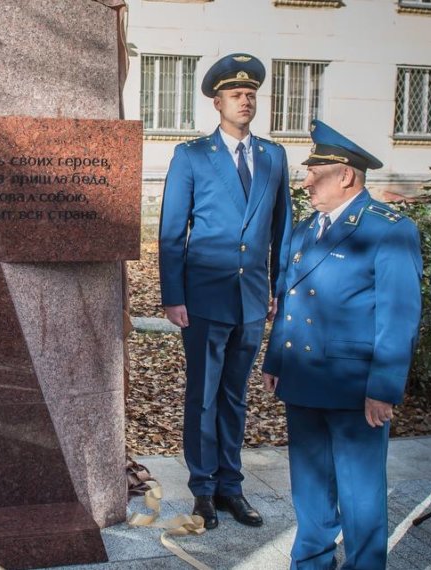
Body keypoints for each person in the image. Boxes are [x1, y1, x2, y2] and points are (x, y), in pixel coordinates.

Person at [262, 120, 422, 569]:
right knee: (310, 486)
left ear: (346, 175)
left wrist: (384, 388)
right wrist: (276, 359)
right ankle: (310, 561)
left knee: (360, 492)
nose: (306, 180)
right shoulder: (307, 229)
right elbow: (289, 298)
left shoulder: (387, 229)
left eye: (315, 172)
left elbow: (399, 315)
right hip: (303, 376)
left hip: (354, 385)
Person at [158, 52, 292, 529]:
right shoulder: (192, 156)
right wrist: (173, 295)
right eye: (236, 95)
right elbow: (173, 230)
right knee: (204, 395)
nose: (246, 101)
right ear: (217, 102)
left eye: (251, 94)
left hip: (253, 297)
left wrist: (280, 288)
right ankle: (203, 489)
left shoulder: (274, 156)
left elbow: (283, 230)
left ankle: (232, 486)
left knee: (236, 397)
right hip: (205, 296)